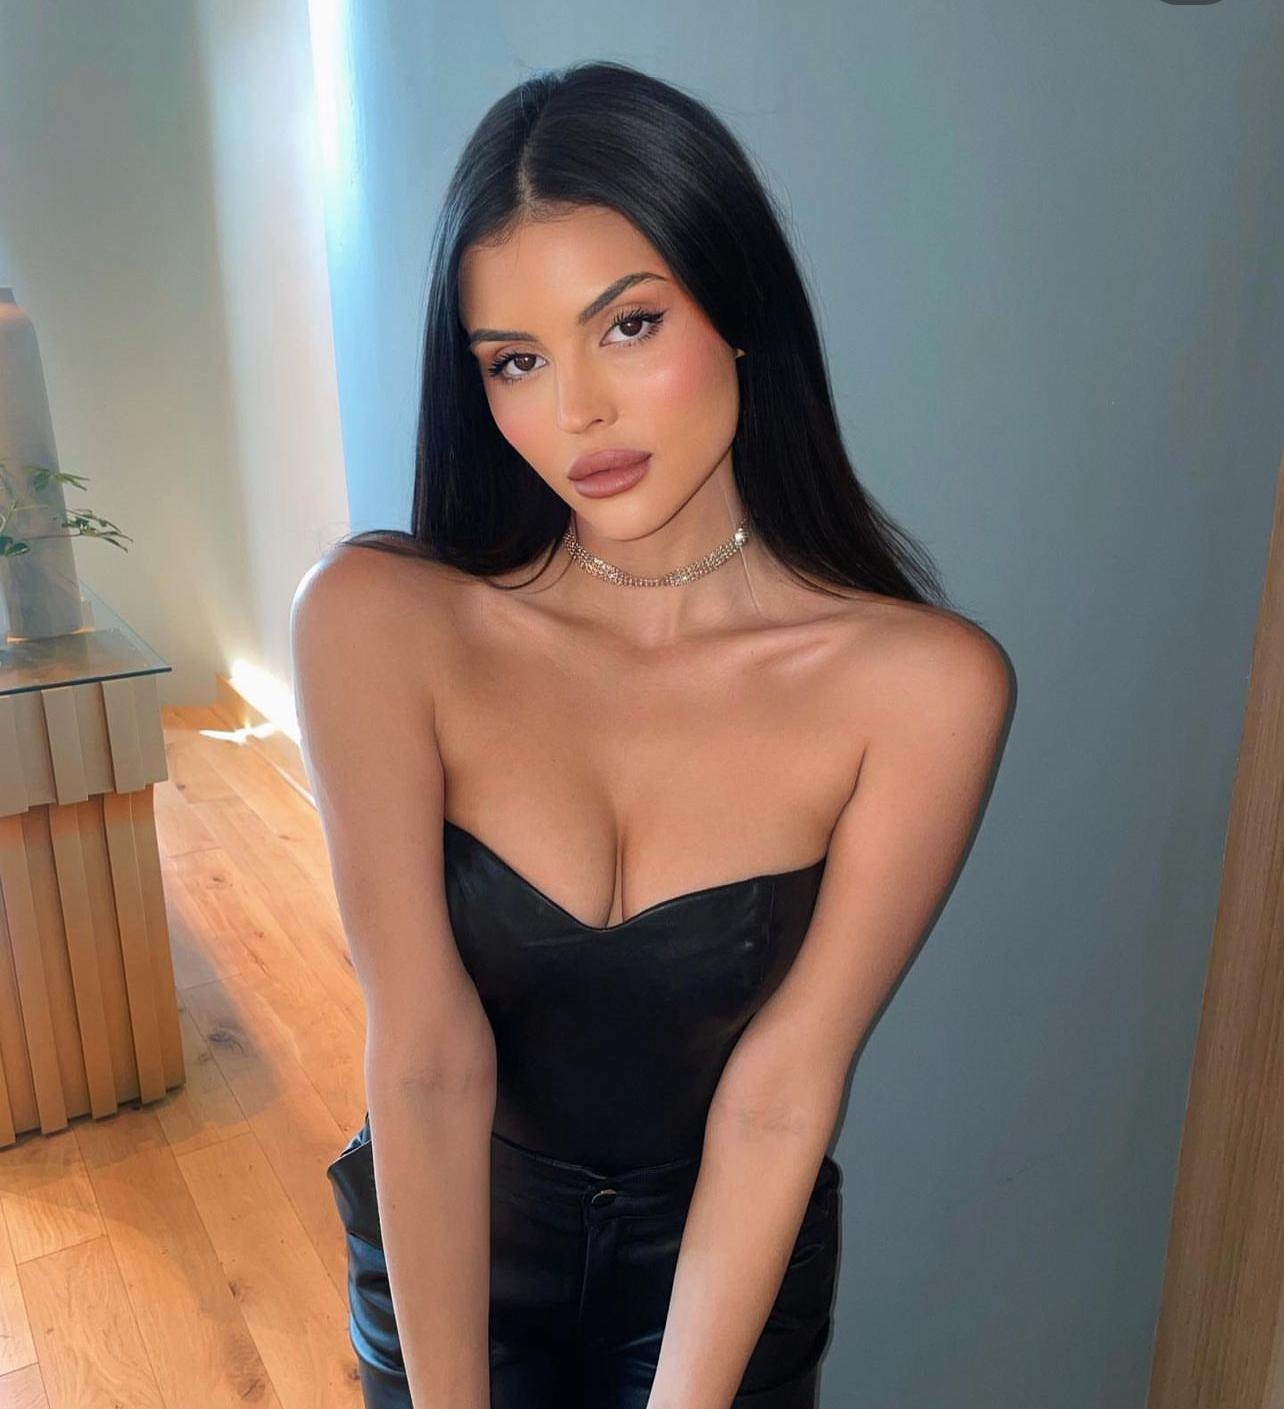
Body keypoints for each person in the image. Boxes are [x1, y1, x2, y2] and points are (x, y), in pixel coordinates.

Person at [290, 58, 1011, 1409]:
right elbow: (426, 1054)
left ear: (739, 311)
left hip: (725, 1278)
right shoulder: (379, 624)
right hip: (448, 1254)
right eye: (515, 361)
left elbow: (784, 1087)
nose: (577, 413)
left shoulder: (924, 687)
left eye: (626, 326)